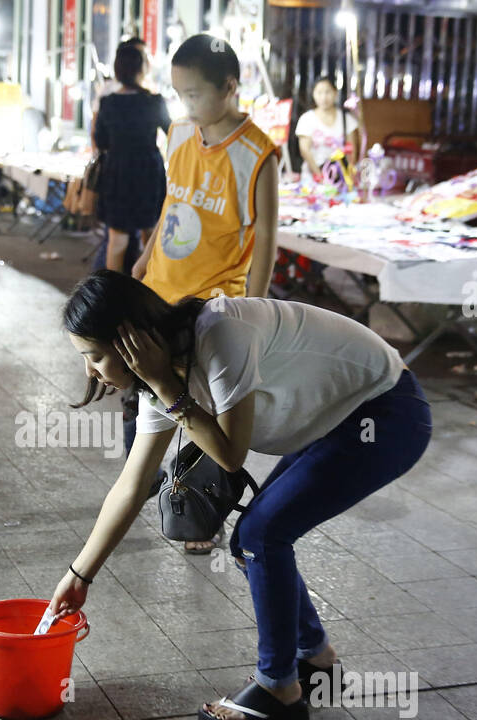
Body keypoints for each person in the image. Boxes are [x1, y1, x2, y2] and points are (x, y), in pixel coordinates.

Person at [50, 271, 431, 720]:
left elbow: (230, 456)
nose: (89, 371)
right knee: (251, 540)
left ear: (132, 342)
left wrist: (167, 389)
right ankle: (316, 663)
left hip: (386, 411)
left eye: (93, 357)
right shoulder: (162, 376)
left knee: (261, 535)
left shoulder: (219, 335)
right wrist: (79, 575)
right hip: (336, 415)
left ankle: (279, 694)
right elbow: (132, 486)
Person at [132, 33, 280, 554]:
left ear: (229, 87)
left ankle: (203, 508)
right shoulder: (177, 134)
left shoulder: (258, 154)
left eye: (193, 94)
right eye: (178, 94)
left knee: (207, 412)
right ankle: (149, 483)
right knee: (153, 394)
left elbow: (265, 243)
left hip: (214, 305)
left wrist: (251, 309)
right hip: (160, 291)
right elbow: (172, 203)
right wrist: (147, 255)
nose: (185, 105)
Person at [94, 43, 170, 271]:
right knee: (151, 237)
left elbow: (101, 140)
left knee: (117, 240)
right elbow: (172, 131)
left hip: (117, 172)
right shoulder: (154, 101)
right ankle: (149, 293)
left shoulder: (108, 103)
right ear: (142, 69)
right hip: (148, 171)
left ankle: (113, 295)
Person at [295, 77, 361, 182]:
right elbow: (305, 150)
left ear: (335, 93)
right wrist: (319, 176)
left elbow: (352, 150)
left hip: (340, 179)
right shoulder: (306, 119)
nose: (324, 97)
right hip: (312, 178)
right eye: (319, 93)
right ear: (313, 94)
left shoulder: (347, 119)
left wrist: (348, 176)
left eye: (327, 92)